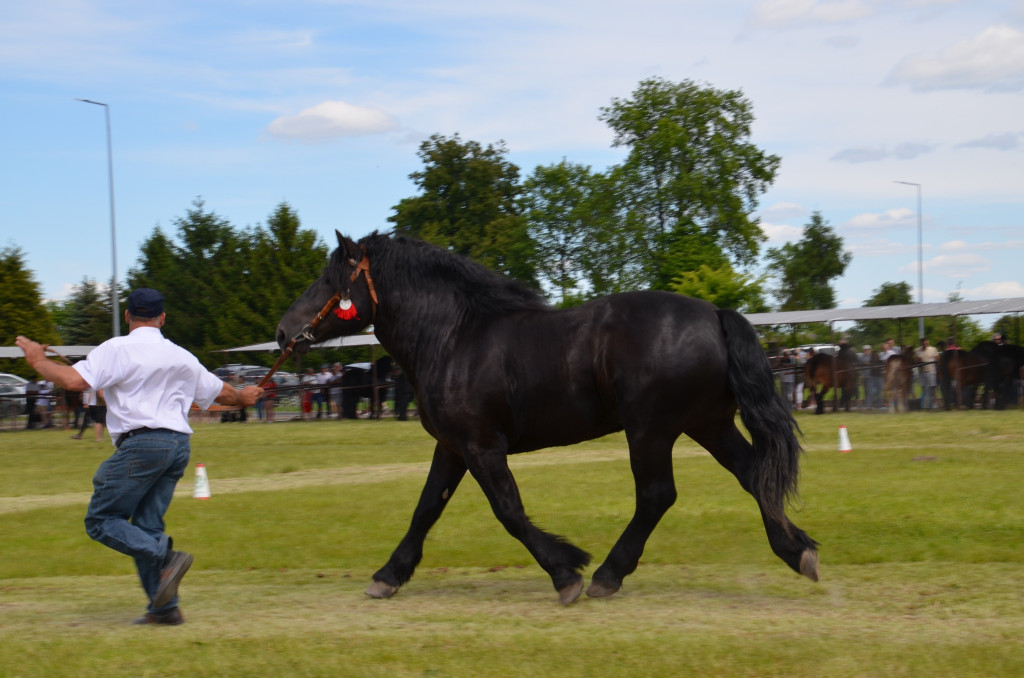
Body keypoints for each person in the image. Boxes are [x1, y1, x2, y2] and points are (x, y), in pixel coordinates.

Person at [16, 288, 262, 626]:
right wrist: (246, 398)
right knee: (147, 527)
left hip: (143, 444)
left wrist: (36, 359)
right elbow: (226, 394)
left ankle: (166, 559)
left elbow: (73, 380)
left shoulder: (117, 348)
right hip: (178, 446)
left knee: (101, 520)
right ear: (162, 318)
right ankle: (164, 609)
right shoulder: (182, 356)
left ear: (129, 316)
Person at [914, 337, 939, 410]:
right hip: (922, 371)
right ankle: (925, 405)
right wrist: (917, 360)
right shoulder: (917, 350)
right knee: (924, 388)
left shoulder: (933, 349)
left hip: (931, 371)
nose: (924, 344)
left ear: (928, 342)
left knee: (932, 388)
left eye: (926, 342)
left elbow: (938, 358)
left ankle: (934, 404)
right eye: (923, 343)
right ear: (921, 343)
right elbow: (915, 360)